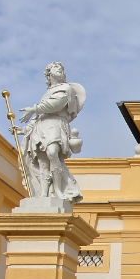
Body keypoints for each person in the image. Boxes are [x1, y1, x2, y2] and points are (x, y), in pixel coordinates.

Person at [14, 62, 83, 202]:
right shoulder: (47, 93)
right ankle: (44, 193)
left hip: (56, 124)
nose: (60, 70)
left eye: (62, 69)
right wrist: (24, 130)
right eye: (56, 68)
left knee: (52, 152)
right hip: (42, 126)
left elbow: (56, 105)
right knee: (42, 160)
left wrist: (34, 109)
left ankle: (57, 189)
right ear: (49, 73)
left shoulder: (66, 88)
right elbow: (39, 117)